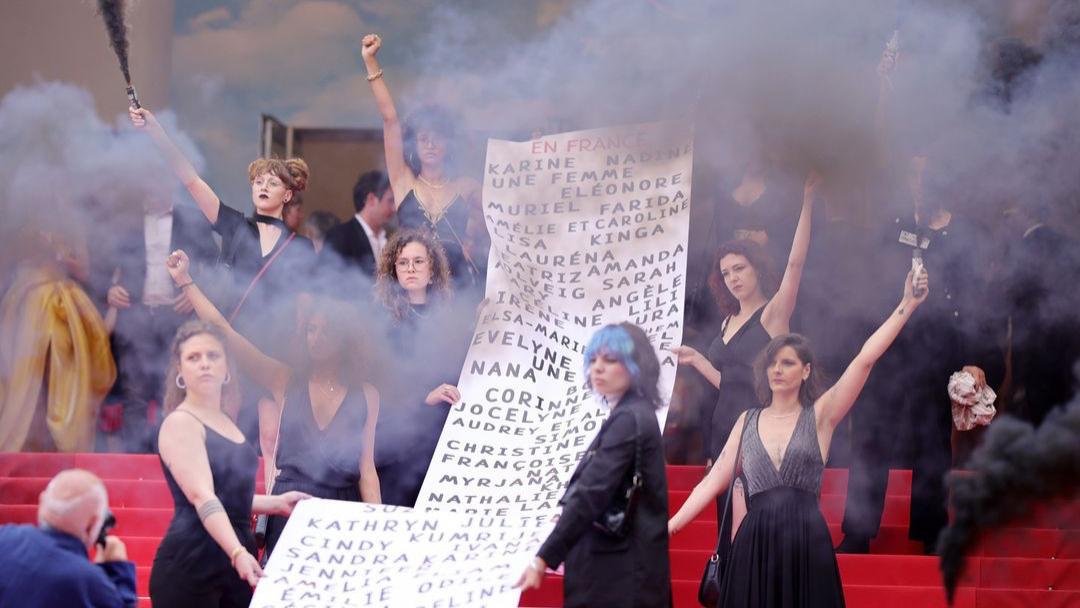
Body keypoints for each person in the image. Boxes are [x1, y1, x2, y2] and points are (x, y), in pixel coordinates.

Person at [668, 269, 929, 607]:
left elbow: (864, 360)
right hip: (753, 544)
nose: (777, 369)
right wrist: (669, 528)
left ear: (805, 371)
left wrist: (907, 304)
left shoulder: (820, 416)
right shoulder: (746, 422)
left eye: (787, 363)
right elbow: (709, 484)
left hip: (806, 542)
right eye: (772, 363)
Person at [165, 250, 381, 557]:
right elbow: (224, 331)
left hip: (343, 512)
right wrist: (186, 281)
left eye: (326, 331)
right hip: (290, 507)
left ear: (344, 338)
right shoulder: (285, 379)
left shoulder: (367, 394)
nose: (316, 338)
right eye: (311, 329)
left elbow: (367, 469)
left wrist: (381, 527)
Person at [130, 106, 317, 444]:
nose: (263, 186)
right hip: (228, 341)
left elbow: (305, 310)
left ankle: (272, 495)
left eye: (272, 183)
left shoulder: (300, 247)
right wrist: (156, 131)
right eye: (258, 181)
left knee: (272, 434)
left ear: (287, 195)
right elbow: (190, 180)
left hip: (273, 351)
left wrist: (300, 355)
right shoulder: (234, 225)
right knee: (223, 432)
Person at [149, 320, 309, 608]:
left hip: (234, 567)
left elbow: (227, 498)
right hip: (193, 565)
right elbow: (202, 497)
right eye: (193, 358)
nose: (205, 364)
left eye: (213, 356)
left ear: (226, 369)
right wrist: (237, 553)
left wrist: (277, 503)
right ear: (180, 372)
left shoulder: (224, 422)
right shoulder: (181, 422)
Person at [517, 323, 671, 608]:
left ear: (636, 365)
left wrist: (543, 558)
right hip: (623, 573)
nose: (597, 368)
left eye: (610, 359)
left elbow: (591, 493)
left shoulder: (629, 419)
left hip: (619, 578)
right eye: (594, 359)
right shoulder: (632, 415)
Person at [673, 170, 821, 462]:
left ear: (757, 269)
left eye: (739, 269)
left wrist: (807, 203)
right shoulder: (728, 320)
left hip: (763, 434)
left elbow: (795, 265)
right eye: (726, 273)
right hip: (723, 433)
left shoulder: (773, 314)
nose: (732, 278)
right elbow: (730, 384)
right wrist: (697, 360)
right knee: (724, 508)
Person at [88, 191, 218, 453]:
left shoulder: (192, 219)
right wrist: (108, 292)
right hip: (136, 316)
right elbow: (99, 269)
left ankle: (177, 459)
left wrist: (196, 293)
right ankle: (136, 466)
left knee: (177, 392)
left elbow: (217, 265)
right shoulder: (127, 222)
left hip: (177, 319)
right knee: (134, 395)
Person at [361, 33, 486, 291]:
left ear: (448, 143)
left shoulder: (467, 187)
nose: (430, 144)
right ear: (414, 145)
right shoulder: (402, 181)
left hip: (458, 289)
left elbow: (508, 216)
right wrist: (370, 61)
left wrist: (531, 156)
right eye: (423, 138)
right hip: (410, 286)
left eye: (437, 138)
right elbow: (390, 121)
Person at [373, 229, 467, 506]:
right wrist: (423, 397)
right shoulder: (382, 320)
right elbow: (378, 381)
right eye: (403, 262)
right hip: (397, 445)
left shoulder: (450, 318)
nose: (410, 269)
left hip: (441, 442)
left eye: (418, 261)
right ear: (394, 270)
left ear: (432, 269)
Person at [0, 230, 116, 452]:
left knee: (63, 373)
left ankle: (60, 444)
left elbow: (84, 271)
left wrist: (61, 256)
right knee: (23, 375)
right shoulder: (25, 221)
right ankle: (23, 442)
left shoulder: (72, 225)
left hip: (61, 306)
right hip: (26, 304)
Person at [0, 469, 137, 607]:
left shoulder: (3, 537)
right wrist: (118, 569)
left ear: (42, 502)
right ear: (93, 523)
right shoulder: (87, 581)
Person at [323, 169, 395, 279]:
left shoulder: (390, 240)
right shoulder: (340, 237)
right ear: (371, 199)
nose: (394, 208)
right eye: (390, 201)